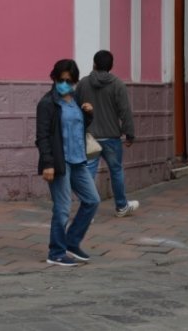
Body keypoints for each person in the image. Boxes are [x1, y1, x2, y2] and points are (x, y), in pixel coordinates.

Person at [36, 58, 99, 267]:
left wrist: (88, 114)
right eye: (61, 80)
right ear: (54, 78)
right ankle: (56, 252)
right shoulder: (47, 103)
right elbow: (42, 137)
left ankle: (71, 242)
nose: (65, 84)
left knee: (92, 200)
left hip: (79, 160)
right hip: (60, 163)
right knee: (63, 208)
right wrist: (48, 164)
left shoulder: (76, 99)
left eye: (69, 81)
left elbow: (79, 126)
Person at [77, 50, 139, 218]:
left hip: (90, 137)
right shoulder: (117, 84)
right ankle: (121, 206)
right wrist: (129, 134)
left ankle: (86, 212)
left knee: (88, 173)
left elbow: (76, 109)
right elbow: (125, 111)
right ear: (111, 66)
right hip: (111, 137)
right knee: (116, 171)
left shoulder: (83, 84)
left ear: (94, 64)